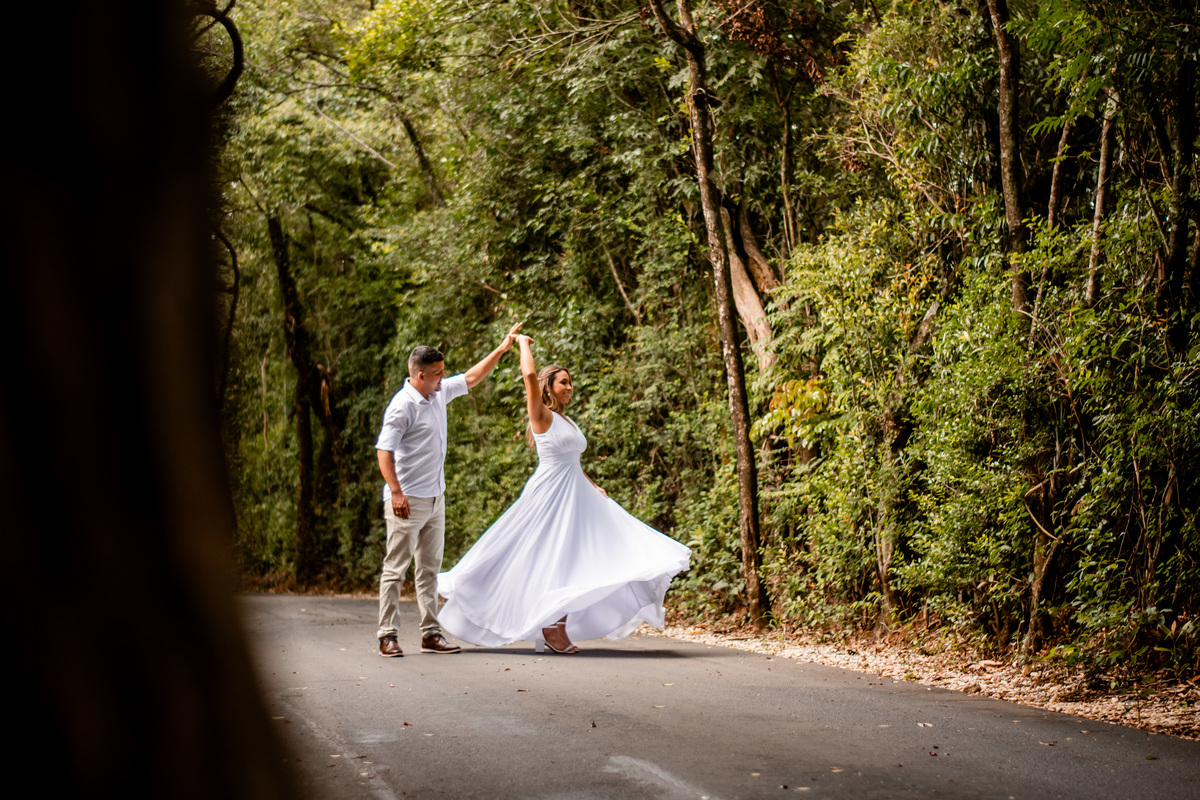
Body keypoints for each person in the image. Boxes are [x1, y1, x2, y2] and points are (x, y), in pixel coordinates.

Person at [437, 334, 691, 653]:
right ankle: (541, 625)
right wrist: (522, 343)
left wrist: (591, 483)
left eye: (571, 383)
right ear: (549, 388)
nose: (569, 388)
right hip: (549, 497)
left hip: (575, 495)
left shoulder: (566, 420)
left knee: (575, 559)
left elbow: (571, 459)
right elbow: (529, 375)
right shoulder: (540, 414)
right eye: (563, 383)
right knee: (536, 557)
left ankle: (555, 623)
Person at [375, 324, 521, 657]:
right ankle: (387, 635)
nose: (444, 377)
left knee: (429, 569)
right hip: (407, 499)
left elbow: (471, 378)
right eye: (438, 373)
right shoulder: (402, 407)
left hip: (435, 497)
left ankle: (430, 633)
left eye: (444, 372)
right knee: (396, 567)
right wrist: (395, 492)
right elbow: (384, 451)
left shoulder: (439, 392)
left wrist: (501, 349)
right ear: (420, 375)